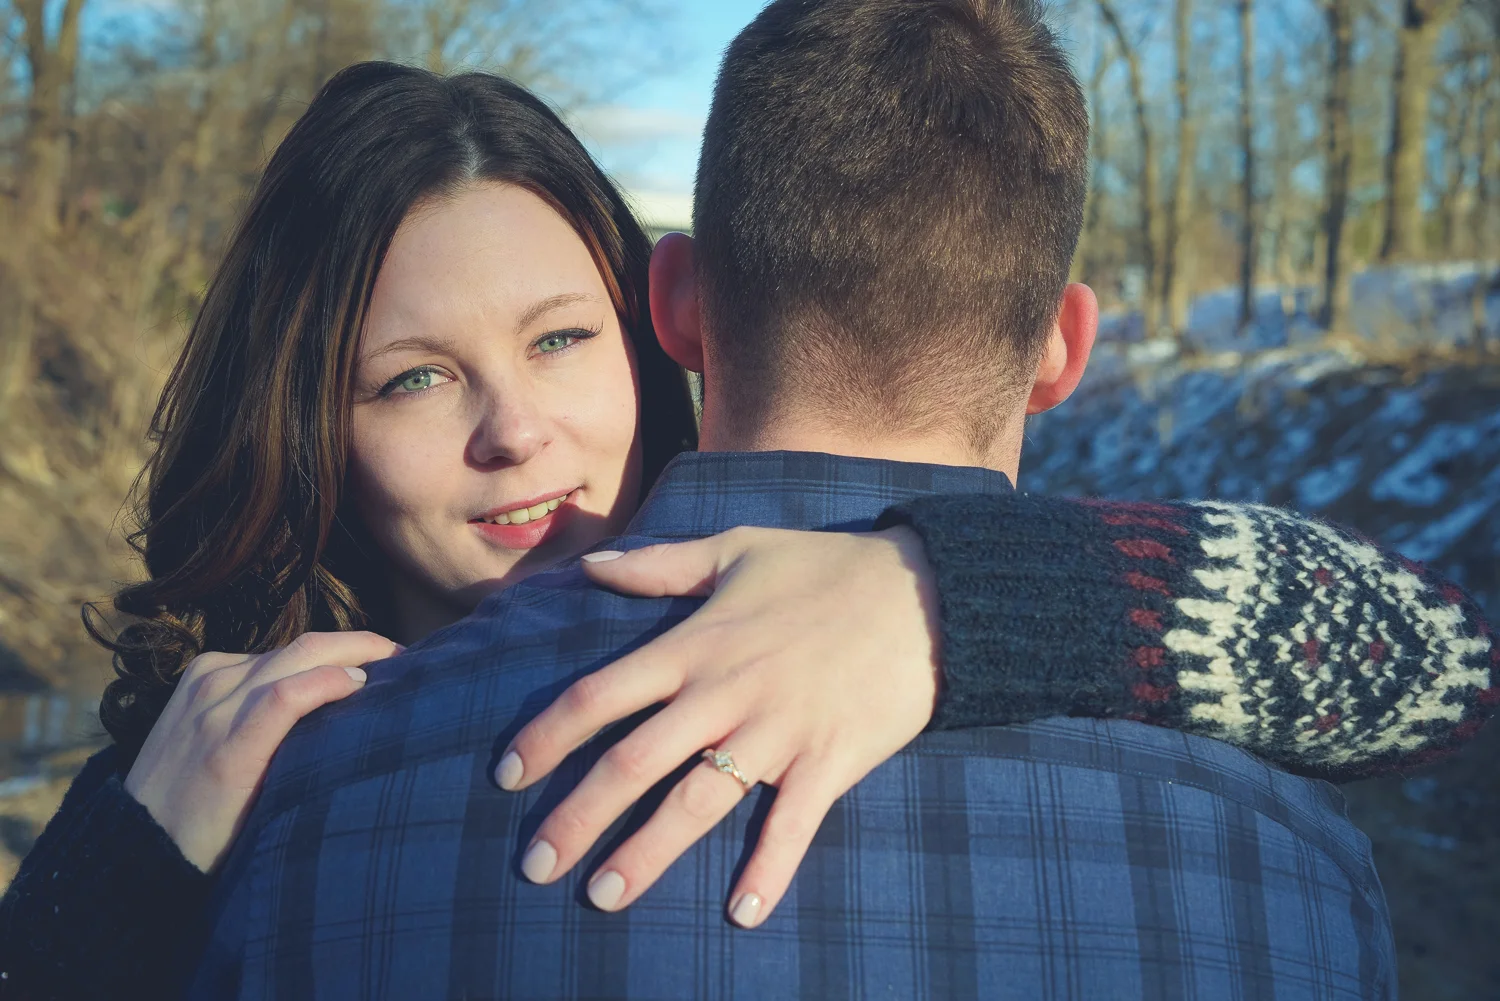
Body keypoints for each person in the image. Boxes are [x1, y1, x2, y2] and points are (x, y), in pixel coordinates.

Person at [155, 3, 1492, 998]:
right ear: (1065, 351)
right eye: (412, 378)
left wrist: (947, 594)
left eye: (562, 338)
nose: (516, 433)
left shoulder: (306, 812)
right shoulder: (1290, 848)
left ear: (667, 310)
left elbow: (1456, 669)